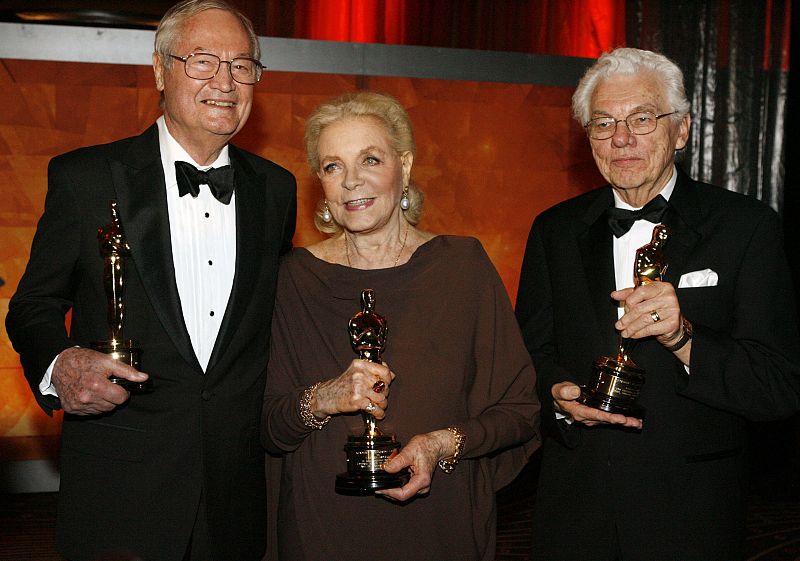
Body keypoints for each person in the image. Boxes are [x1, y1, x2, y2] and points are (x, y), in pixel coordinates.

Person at [5, 1, 296, 559]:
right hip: (121, 491)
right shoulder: (86, 177)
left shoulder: (276, 190)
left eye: (242, 65)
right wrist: (58, 365)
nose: (225, 82)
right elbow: (34, 304)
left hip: (235, 495)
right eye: (203, 61)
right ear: (160, 70)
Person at [516, 47, 800, 561]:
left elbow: (777, 387)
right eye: (603, 124)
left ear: (683, 130)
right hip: (575, 511)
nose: (621, 138)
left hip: (691, 516)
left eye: (641, 119)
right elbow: (529, 357)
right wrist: (556, 395)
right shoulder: (554, 230)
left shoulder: (747, 228)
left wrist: (683, 338)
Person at [261, 91, 540, 561]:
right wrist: (326, 397)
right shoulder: (293, 277)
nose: (351, 182)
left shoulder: (463, 267)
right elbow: (267, 427)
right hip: (321, 531)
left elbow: (519, 411)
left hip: (438, 528)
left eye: (369, 159)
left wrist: (440, 443)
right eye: (332, 166)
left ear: (404, 167)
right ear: (321, 185)